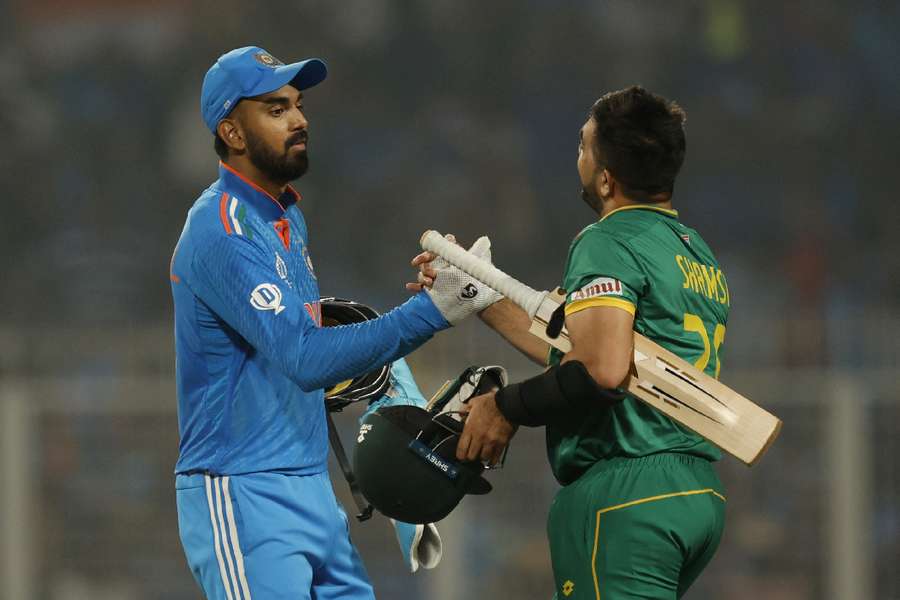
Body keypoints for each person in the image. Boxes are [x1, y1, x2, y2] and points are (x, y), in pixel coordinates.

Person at [169, 46, 500, 600]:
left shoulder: (284, 216)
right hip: (241, 493)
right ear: (231, 132)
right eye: (276, 109)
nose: (299, 119)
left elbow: (301, 346)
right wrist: (433, 310)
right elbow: (304, 357)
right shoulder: (218, 228)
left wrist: (396, 384)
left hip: (309, 485)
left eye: (297, 105)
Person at [413, 86, 728, 599]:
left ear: (606, 178)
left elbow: (602, 370)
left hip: (626, 493)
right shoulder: (697, 255)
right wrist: (480, 298)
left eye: (583, 146)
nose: (576, 157)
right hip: (694, 491)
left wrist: (505, 406)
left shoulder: (607, 240)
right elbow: (594, 352)